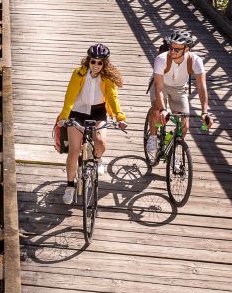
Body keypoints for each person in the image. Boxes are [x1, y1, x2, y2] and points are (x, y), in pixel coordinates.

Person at [55, 43, 128, 204]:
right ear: (88, 61)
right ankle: (70, 187)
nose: (96, 65)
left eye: (100, 62)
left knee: (100, 143)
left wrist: (119, 117)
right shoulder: (79, 74)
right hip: (77, 112)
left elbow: (112, 97)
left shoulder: (107, 78)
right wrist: (64, 117)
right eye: (93, 61)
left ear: (105, 64)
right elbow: (70, 96)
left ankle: (98, 159)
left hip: (98, 112)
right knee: (74, 151)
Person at [146, 28, 212, 160]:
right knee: (157, 110)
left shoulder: (195, 60)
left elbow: (201, 86)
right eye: (171, 47)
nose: (172, 51)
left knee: (184, 124)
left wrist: (205, 111)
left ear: (186, 49)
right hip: (161, 85)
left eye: (177, 49)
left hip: (180, 88)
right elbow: (158, 87)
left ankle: (175, 148)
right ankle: (153, 137)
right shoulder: (161, 59)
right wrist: (163, 109)